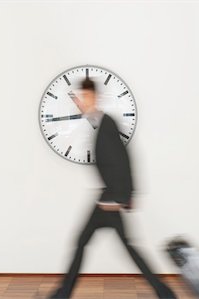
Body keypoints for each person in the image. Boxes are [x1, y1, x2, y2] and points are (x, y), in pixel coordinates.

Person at [48, 78, 177, 299]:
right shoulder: (99, 122)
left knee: (98, 245)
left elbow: (124, 159)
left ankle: (165, 293)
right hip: (108, 197)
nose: (82, 101)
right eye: (81, 97)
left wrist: (124, 196)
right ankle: (164, 293)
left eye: (86, 97)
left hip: (110, 200)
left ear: (95, 97)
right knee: (94, 244)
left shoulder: (107, 123)